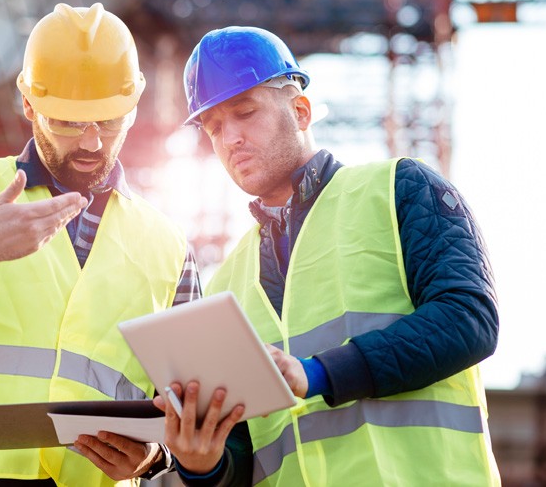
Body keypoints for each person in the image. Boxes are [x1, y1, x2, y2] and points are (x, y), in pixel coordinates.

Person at [0, 3, 201, 487]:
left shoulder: (170, 247)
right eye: (68, 123)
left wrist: (155, 458)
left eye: (110, 122)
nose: (92, 143)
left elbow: (188, 404)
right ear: (29, 106)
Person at [159, 26, 502, 486]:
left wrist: (318, 374)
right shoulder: (224, 285)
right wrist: (202, 465)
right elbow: (242, 456)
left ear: (300, 111)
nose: (230, 139)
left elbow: (468, 319)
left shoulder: (399, 189)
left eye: (245, 113)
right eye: (215, 127)